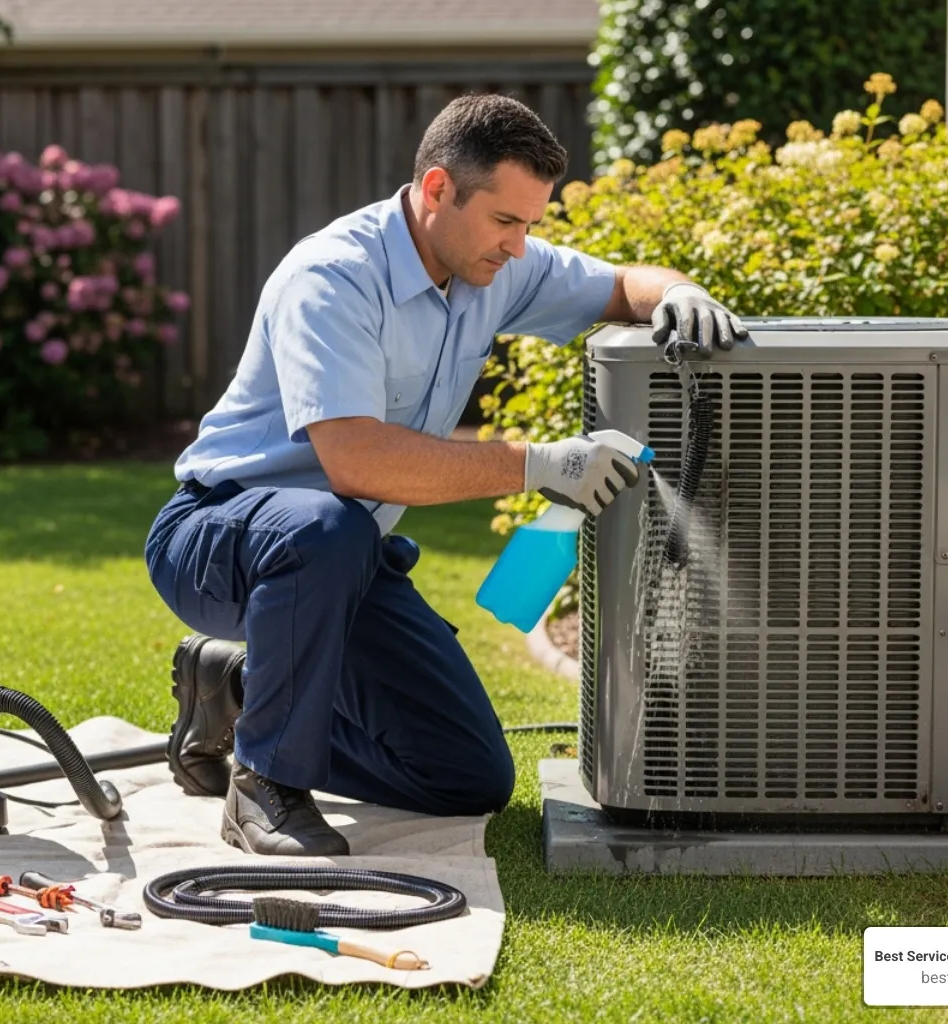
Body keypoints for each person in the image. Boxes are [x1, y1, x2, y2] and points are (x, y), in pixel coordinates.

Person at [144, 93, 747, 856]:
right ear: (437, 190)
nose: (521, 247)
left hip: (339, 554)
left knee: (463, 774)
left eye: (531, 224)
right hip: (217, 537)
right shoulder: (333, 278)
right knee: (327, 527)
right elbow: (355, 460)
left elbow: (625, 285)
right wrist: (538, 463)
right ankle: (264, 786)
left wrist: (682, 293)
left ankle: (235, 692)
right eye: (506, 222)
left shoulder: (490, 268)